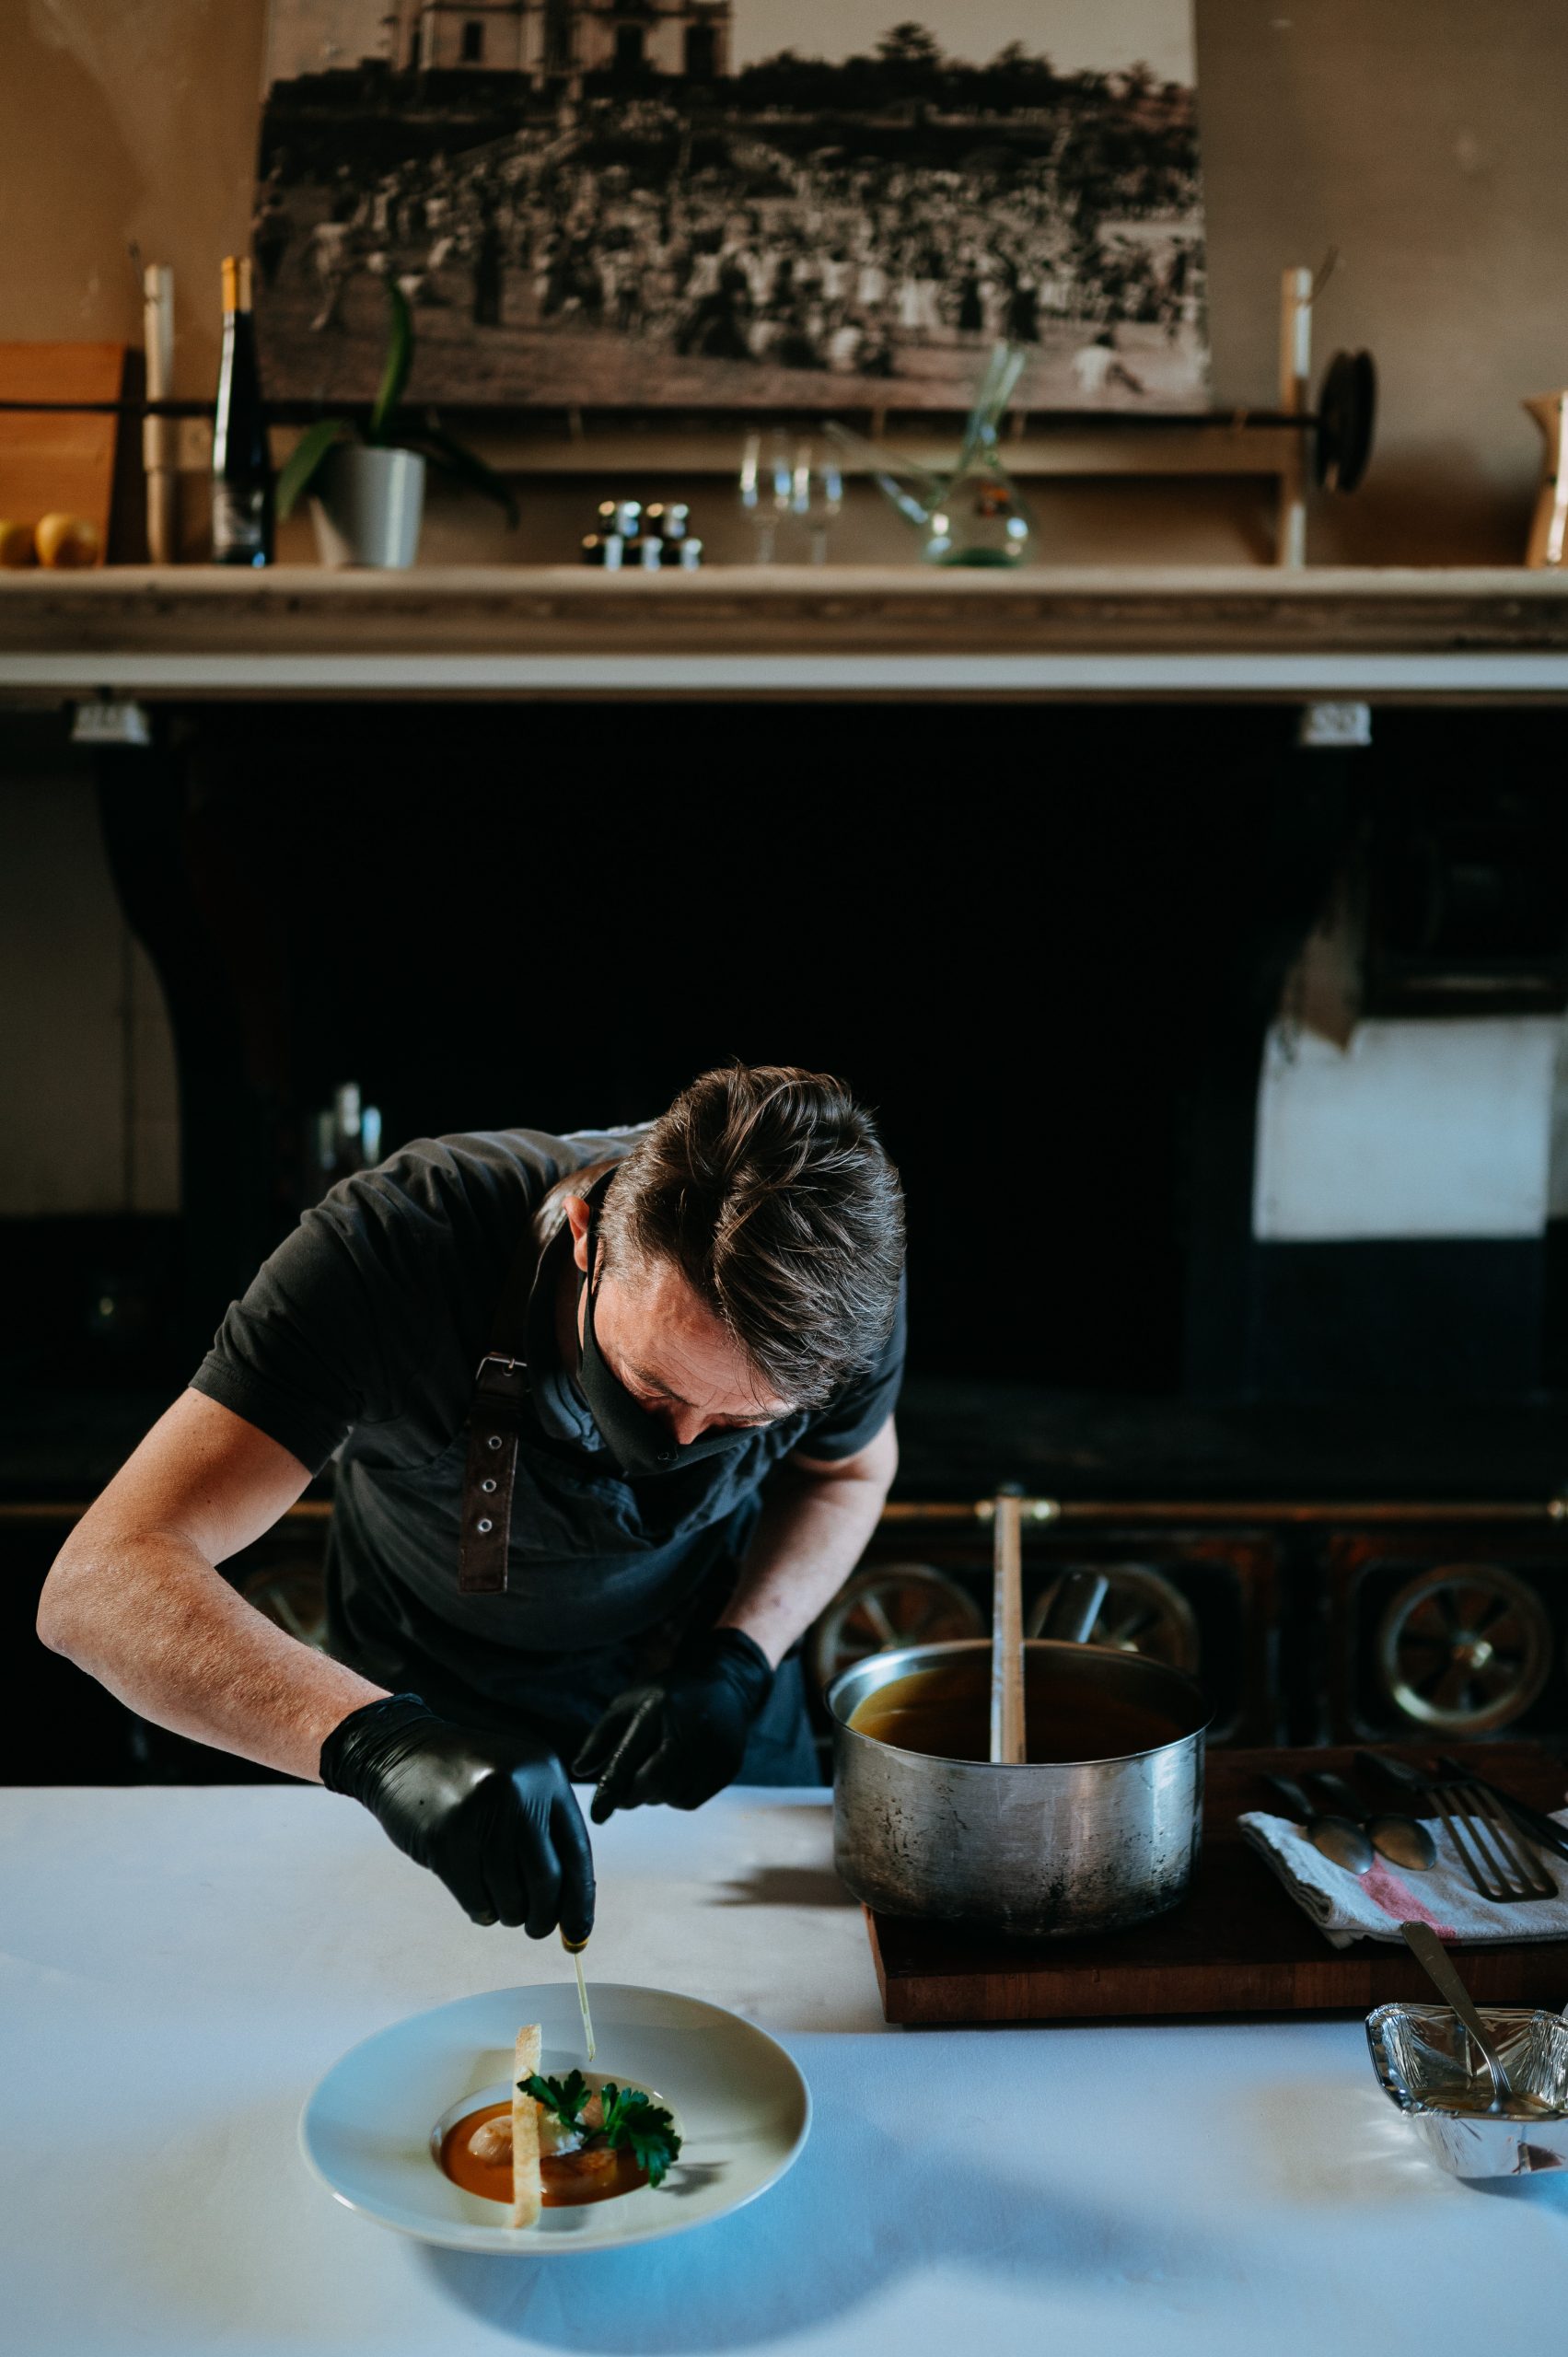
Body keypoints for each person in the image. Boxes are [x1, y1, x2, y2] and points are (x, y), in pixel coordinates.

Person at [38, 1067, 905, 1948]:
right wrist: (376, 1746)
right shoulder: (397, 1243)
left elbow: (844, 1474)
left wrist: (738, 1659)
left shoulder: (836, 1289)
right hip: (427, 1710)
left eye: (737, 1420)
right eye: (651, 1388)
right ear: (585, 1234)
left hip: (696, 1700)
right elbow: (97, 1581)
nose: (680, 1442)